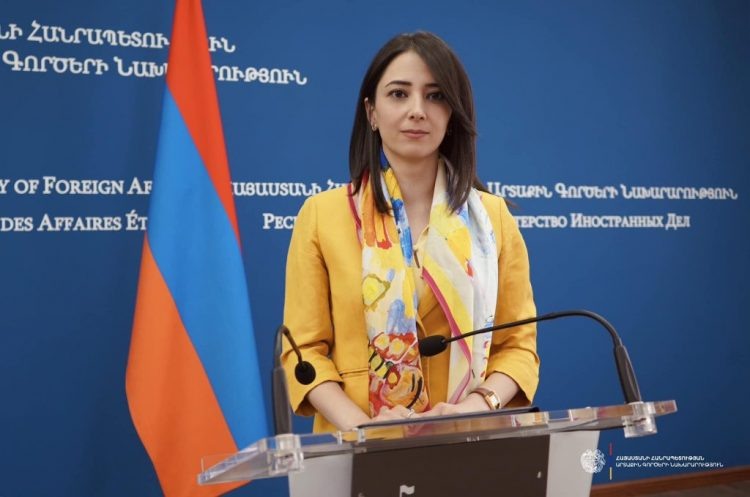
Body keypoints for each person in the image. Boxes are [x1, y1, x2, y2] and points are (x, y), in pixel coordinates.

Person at [281, 31, 539, 433]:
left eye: (435, 96)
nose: (417, 110)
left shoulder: (493, 219)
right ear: (371, 112)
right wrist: (361, 427)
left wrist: (476, 406)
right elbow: (303, 352)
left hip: (468, 440)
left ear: (452, 114)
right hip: (357, 443)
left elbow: (518, 348)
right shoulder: (321, 215)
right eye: (399, 94)